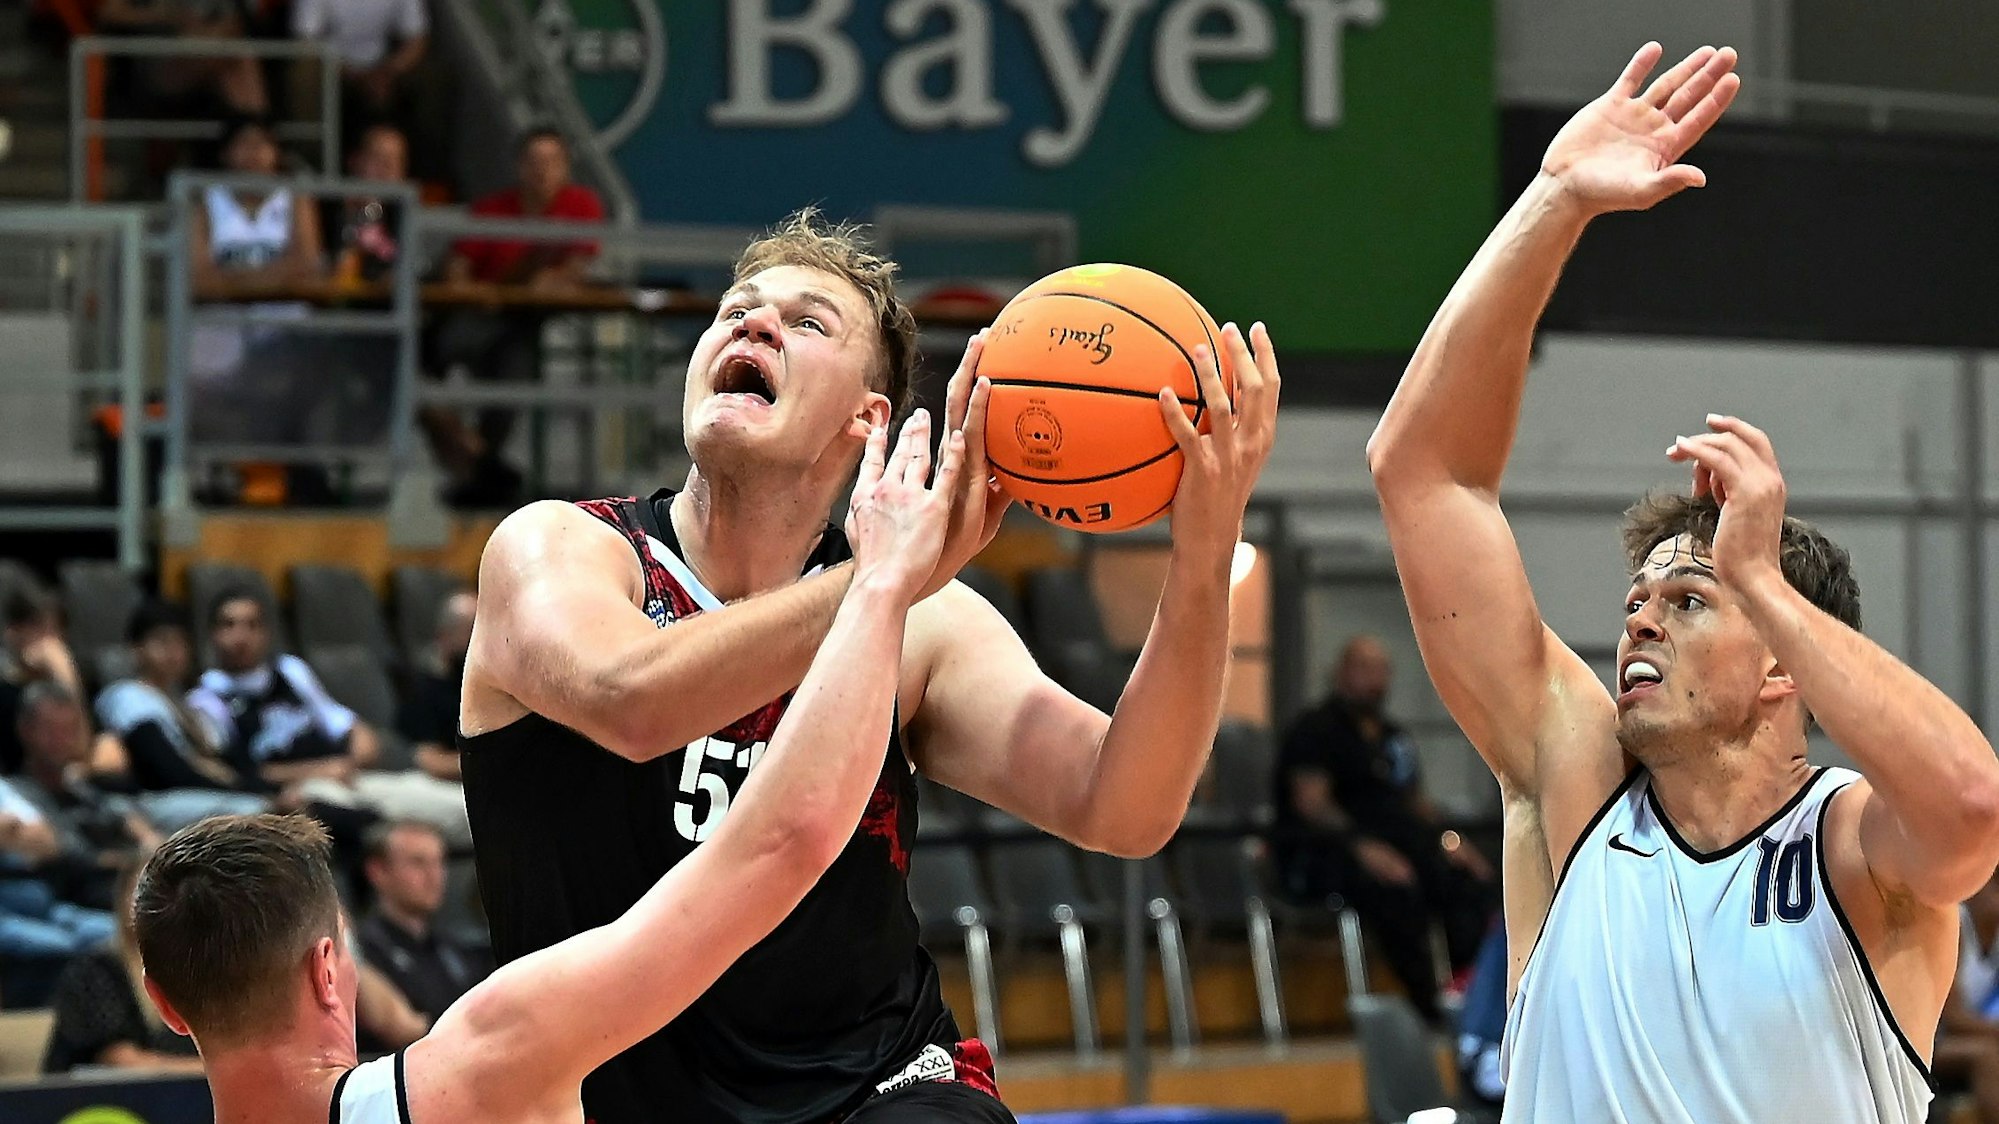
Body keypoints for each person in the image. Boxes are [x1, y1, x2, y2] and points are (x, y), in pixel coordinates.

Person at [459, 208, 1279, 1122]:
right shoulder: (559, 548)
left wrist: (1204, 550)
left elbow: (1125, 805)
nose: (753, 323)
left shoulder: (921, 620)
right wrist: (879, 583)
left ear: (867, 418)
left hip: (872, 1086)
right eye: (736, 309)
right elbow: (631, 700)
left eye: (807, 322)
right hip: (607, 1096)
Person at [1367, 43, 1997, 1122]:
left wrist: (1756, 569)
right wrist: (1553, 201)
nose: (1638, 617)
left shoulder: (1852, 847)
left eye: (1689, 599)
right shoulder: (1576, 779)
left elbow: (1973, 805)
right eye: (1637, 601)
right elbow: (1423, 474)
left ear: (1780, 668)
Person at [132, 407, 964, 1121]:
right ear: (329, 969)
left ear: (165, 1004)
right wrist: (881, 584)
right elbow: (780, 845)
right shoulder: (479, 1069)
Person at [1271, 634, 1496, 1018]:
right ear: (1341, 673)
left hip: (1402, 845)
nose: (1375, 680)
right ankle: (1428, 1005)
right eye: (1364, 669)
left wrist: (1451, 841)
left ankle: (1473, 990)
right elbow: (1312, 802)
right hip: (1330, 853)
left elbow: (1414, 802)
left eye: (1381, 670)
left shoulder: (1393, 736)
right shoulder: (1315, 730)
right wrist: (1362, 847)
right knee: (1397, 889)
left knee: (1469, 883)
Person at [187, 589, 470, 848]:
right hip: (299, 792)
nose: (241, 636)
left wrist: (354, 756)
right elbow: (241, 774)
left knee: (469, 810)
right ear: (212, 634)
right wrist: (322, 769)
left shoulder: (289, 671)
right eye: (229, 625)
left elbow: (350, 727)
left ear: (267, 632)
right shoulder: (207, 700)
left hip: (351, 777)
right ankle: (388, 837)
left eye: (252, 625)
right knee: (342, 813)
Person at [423, 127, 607, 506]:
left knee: (513, 375)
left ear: (566, 168)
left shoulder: (581, 205)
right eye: (535, 162)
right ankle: (476, 458)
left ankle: (479, 470)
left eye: (552, 162)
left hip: (525, 323)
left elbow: (575, 269)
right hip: (475, 318)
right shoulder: (490, 210)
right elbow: (457, 271)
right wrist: (482, 291)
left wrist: (543, 282)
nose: (543, 171)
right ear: (519, 167)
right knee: (422, 369)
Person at [94, 600, 272, 830]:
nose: (173, 651)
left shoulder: (188, 702)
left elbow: (227, 758)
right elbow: (165, 770)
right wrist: (244, 788)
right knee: (259, 814)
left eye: (180, 642)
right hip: (153, 801)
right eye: (162, 641)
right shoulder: (128, 696)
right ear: (136, 649)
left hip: (199, 794)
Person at [9, 682, 160, 911]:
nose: (63, 741)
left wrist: (144, 835)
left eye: (70, 730)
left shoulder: (76, 786)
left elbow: (114, 813)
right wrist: (133, 862)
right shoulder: (16, 792)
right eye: (52, 730)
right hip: (74, 896)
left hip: (122, 883)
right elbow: (72, 854)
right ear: (25, 730)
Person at [43, 870, 203, 1075]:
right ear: (123, 901)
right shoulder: (93, 970)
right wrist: (208, 1071)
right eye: (148, 894)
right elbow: (121, 1061)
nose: (164, 905)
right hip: (99, 1100)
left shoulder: (203, 969)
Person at [357, 820, 488, 1026]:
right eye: (418, 862)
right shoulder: (363, 950)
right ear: (378, 871)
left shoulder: (457, 952)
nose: (434, 875)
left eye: (439, 862)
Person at [1, 585, 83, 775]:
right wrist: (65, 673)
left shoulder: (64, 681)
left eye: (56, 629)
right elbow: (76, 754)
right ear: (12, 633)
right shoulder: (6, 694)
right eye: (40, 629)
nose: (52, 642)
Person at [396, 589, 473, 782]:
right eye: (472, 630)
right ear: (444, 636)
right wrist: (493, 762)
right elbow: (431, 761)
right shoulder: (421, 690)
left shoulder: (475, 683)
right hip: (435, 783)